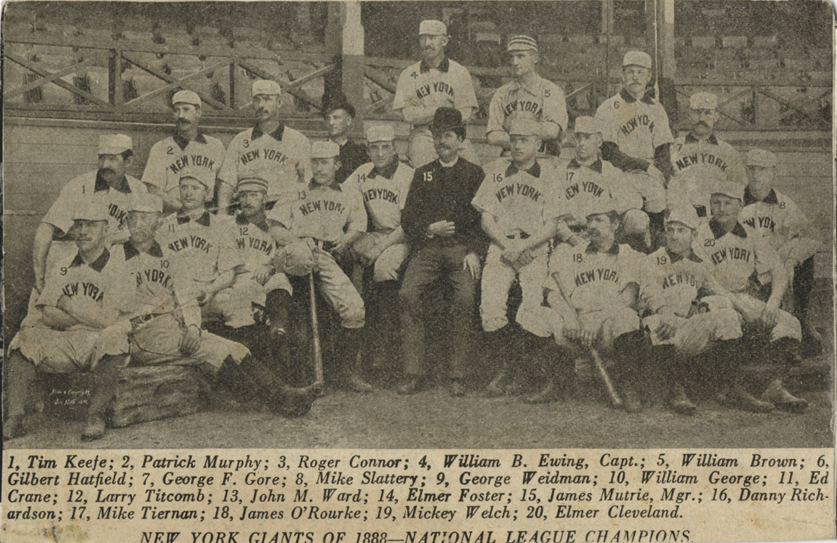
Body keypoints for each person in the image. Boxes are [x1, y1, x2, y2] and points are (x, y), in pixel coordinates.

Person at [87, 193, 315, 440]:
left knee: (232, 349)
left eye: (145, 218)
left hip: (168, 332)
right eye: (132, 218)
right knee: (215, 353)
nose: (138, 224)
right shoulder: (112, 257)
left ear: (158, 223)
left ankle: (285, 396)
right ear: (125, 222)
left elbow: (186, 297)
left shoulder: (171, 256)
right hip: (131, 334)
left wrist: (194, 328)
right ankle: (283, 397)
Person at [4, 199, 133, 441]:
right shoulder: (62, 264)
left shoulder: (118, 267)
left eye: (91, 226)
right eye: (79, 225)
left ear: (106, 229)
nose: (83, 232)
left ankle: (96, 416)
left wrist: (68, 304)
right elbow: (48, 314)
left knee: (114, 336)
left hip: (98, 344)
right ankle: (15, 418)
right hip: (66, 339)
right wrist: (84, 316)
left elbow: (107, 320)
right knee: (25, 338)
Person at [693, 181, 808, 412]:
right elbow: (707, 282)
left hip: (743, 294)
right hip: (712, 298)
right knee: (727, 315)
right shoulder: (699, 234)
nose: (722, 208)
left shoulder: (750, 234)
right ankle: (730, 388)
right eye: (716, 203)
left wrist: (773, 303)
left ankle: (774, 385)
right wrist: (740, 305)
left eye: (728, 203)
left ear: (740, 206)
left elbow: (778, 269)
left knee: (789, 322)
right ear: (710, 206)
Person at [268, 141, 371, 392]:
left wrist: (345, 240)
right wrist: (298, 243)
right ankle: (302, 375)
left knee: (355, 310)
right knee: (301, 278)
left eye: (325, 162)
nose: (319, 168)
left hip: (326, 256)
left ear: (337, 164)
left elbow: (358, 224)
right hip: (296, 253)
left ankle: (344, 374)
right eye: (315, 162)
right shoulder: (297, 190)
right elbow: (275, 226)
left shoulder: (349, 192)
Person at [398, 108, 486, 396]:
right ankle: (414, 372)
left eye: (447, 136)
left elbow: (483, 219)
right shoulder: (424, 174)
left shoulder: (474, 174)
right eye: (436, 137)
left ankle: (457, 374)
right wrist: (430, 228)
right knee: (408, 293)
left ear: (460, 138)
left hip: (462, 250)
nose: (441, 142)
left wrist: (474, 251)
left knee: (464, 296)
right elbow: (408, 218)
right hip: (430, 248)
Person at [472, 118, 560, 396]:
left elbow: (553, 225)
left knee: (532, 307)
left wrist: (523, 248)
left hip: (534, 246)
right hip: (502, 244)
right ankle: (506, 368)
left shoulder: (550, 174)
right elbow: (486, 219)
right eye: (513, 139)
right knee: (491, 306)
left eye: (524, 140)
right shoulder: (496, 172)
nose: (517, 145)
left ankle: (527, 371)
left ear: (538, 143)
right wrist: (507, 245)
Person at [540, 197, 645, 410]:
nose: (592, 226)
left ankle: (628, 386)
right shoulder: (573, 253)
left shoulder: (629, 254)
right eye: (589, 221)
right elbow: (552, 291)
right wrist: (569, 317)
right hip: (576, 325)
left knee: (629, 318)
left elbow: (629, 298)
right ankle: (556, 382)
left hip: (608, 323)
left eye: (598, 220)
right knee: (539, 315)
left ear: (615, 224)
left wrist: (598, 319)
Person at [639, 206, 743, 414]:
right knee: (657, 321)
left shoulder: (700, 265)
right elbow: (649, 291)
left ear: (694, 235)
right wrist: (666, 311)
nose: (674, 236)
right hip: (656, 331)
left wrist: (709, 305)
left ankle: (730, 387)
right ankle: (675, 390)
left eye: (681, 231)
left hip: (686, 327)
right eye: (671, 230)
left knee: (728, 315)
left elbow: (717, 291)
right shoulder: (652, 260)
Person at [33, 134, 146, 294]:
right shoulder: (78, 186)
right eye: (101, 158)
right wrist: (40, 279)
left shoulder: (139, 189)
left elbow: (140, 235)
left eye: (112, 159)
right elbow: (45, 229)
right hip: (72, 266)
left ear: (128, 161)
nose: (105, 164)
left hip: (111, 272)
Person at [344, 125, 414, 368]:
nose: (381, 153)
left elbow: (408, 226)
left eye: (386, 147)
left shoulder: (407, 175)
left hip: (401, 237)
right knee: (349, 257)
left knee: (383, 268)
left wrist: (377, 248)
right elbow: (342, 197)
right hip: (373, 232)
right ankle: (358, 349)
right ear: (368, 149)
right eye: (375, 147)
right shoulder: (363, 172)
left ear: (395, 148)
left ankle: (386, 351)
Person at [739, 149, 822, 355]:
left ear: (773, 172)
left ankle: (801, 317)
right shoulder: (735, 200)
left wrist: (792, 260)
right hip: (744, 268)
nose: (757, 175)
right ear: (746, 171)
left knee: (805, 255)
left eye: (763, 169)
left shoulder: (784, 203)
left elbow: (812, 237)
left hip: (772, 268)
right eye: (752, 169)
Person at [595, 51, 672, 246]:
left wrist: (663, 175)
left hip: (651, 173)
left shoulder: (657, 108)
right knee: (633, 219)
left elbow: (663, 149)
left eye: (640, 72)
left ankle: (654, 255)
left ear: (648, 77)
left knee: (661, 205)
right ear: (622, 76)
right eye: (630, 72)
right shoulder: (609, 107)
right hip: (620, 172)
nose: (635, 77)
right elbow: (609, 152)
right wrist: (647, 167)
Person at [156, 167, 242, 325]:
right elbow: (157, 270)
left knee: (235, 304)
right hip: (175, 296)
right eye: (184, 187)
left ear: (207, 193)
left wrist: (210, 290)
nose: (188, 193)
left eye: (195, 188)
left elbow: (228, 273)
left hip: (208, 292)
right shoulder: (165, 226)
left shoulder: (220, 226)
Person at [393, 19, 480, 168]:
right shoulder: (409, 74)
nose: (427, 43)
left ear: (444, 41)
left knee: (474, 170)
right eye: (423, 38)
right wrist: (443, 112)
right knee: (424, 172)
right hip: (424, 135)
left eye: (432, 38)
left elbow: (466, 113)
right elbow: (408, 114)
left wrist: (429, 115)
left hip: (454, 135)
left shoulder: (459, 72)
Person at [217, 80, 311, 214]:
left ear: (279, 102)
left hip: (284, 214)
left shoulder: (298, 141)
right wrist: (222, 215)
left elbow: (307, 185)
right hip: (247, 215)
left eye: (267, 99)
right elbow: (227, 184)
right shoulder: (240, 140)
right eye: (257, 100)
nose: (261, 105)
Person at [556, 116, 649, 251]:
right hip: (572, 236)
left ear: (599, 141)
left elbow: (634, 200)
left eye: (587, 138)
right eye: (578, 137)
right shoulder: (560, 172)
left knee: (637, 218)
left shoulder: (610, 171)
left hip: (606, 235)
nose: (581, 143)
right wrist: (571, 237)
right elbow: (550, 214)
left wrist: (603, 212)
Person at [141, 90, 226, 213]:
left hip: (208, 214)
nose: (181, 115)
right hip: (174, 214)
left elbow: (224, 184)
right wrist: (184, 210)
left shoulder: (215, 146)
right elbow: (153, 189)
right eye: (176, 110)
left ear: (198, 113)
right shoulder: (160, 148)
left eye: (186, 109)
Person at [667, 92, 747, 220]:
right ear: (689, 114)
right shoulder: (673, 148)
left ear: (716, 116)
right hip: (682, 219)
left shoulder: (728, 151)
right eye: (697, 112)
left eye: (707, 113)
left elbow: (740, 187)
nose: (701, 118)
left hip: (718, 218)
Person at [486, 35, 567, 159]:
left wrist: (516, 138)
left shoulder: (551, 90)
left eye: (520, 56)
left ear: (535, 58)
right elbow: (493, 135)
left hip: (543, 157)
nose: (514, 62)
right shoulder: (502, 93)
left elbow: (552, 131)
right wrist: (524, 140)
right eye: (511, 57)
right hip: (510, 158)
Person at [322, 94, 369, 184]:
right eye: (327, 118)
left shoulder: (360, 153)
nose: (331, 122)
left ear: (348, 121)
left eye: (336, 117)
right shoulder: (318, 150)